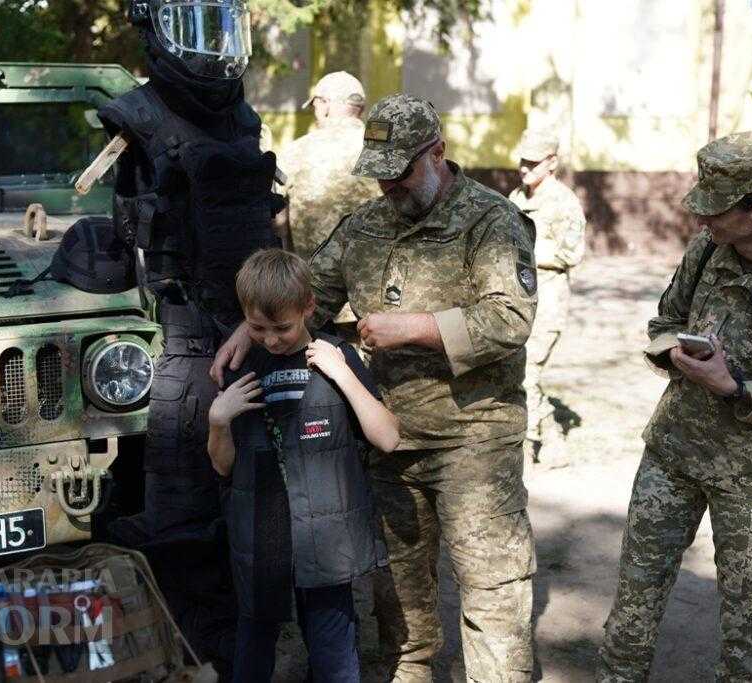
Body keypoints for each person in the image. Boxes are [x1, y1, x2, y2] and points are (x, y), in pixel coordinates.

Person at [212, 93, 539, 681]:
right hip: (386, 439)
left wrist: (414, 328)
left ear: (436, 153)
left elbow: (511, 319)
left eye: (401, 172)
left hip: (473, 439)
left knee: (491, 593)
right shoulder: (364, 226)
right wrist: (248, 326)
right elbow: (307, 292)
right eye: (379, 173)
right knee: (400, 605)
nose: (387, 186)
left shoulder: (492, 221)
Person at [597, 131, 752, 682]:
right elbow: (664, 323)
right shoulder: (706, 252)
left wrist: (730, 387)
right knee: (633, 603)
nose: (701, 222)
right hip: (673, 453)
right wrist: (674, 354)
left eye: (714, 212)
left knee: (744, 624)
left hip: (750, 481)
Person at [96, 0, 282, 671]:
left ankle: (239, 653)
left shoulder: (243, 120)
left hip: (255, 345)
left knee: (258, 523)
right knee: (179, 526)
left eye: (220, 20)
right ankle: (187, 655)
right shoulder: (133, 116)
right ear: (152, 25)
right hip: (181, 351)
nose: (211, 42)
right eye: (192, 21)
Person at [207, 249, 398, 682]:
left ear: (308, 307)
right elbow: (223, 469)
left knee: (334, 656)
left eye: (283, 328)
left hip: (325, 543)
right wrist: (218, 421)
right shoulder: (242, 366)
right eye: (257, 328)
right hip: (260, 538)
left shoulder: (336, 357)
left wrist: (344, 374)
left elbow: (387, 437)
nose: (272, 340)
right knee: (253, 653)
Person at [508, 125, 587, 462]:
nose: (525, 169)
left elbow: (572, 253)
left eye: (533, 163)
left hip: (548, 303)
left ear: (552, 162)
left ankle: (532, 444)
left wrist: (526, 252)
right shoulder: (515, 198)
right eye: (522, 162)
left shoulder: (564, 203)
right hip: (517, 300)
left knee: (527, 373)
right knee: (515, 371)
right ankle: (548, 437)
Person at [276, 71, 382, 259]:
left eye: (314, 106)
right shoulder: (385, 149)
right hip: (375, 276)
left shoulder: (297, 151)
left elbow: (278, 220)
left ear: (325, 105)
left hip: (313, 280)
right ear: (362, 108)